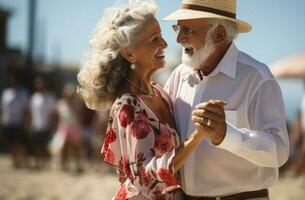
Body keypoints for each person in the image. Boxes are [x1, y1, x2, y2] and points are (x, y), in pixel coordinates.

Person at [77, 1, 208, 199]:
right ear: (129, 54)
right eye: (154, 39)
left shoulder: (159, 92)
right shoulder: (127, 106)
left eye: (162, 36)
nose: (164, 44)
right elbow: (145, 176)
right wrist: (198, 136)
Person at [163, 0, 289, 199]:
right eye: (178, 28)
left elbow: (279, 151)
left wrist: (226, 135)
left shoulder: (256, 77)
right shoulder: (179, 75)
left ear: (219, 34)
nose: (179, 39)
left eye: (187, 30)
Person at [0, 73, 30, 168]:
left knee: (20, 144)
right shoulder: (6, 94)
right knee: (11, 144)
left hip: (19, 122)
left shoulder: (23, 93)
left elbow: (26, 110)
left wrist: (26, 123)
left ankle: (23, 160)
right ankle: (15, 161)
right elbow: (2, 108)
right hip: (8, 122)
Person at [29, 76, 57, 169]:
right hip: (36, 126)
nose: (39, 85)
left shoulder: (50, 97)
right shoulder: (34, 98)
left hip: (46, 126)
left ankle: (46, 163)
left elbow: (53, 114)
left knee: (45, 146)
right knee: (37, 146)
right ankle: (38, 164)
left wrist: (52, 126)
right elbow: (31, 113)